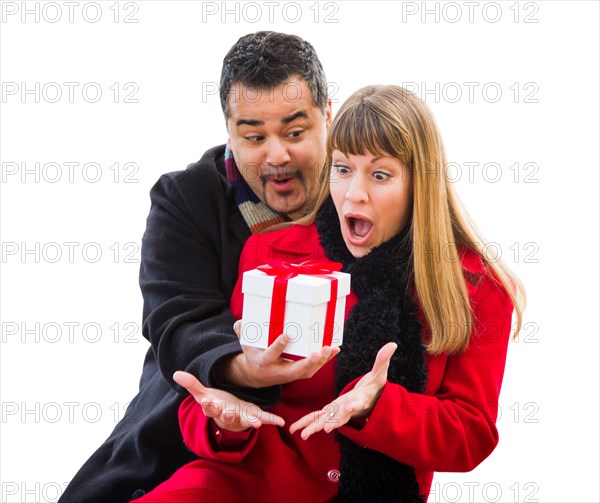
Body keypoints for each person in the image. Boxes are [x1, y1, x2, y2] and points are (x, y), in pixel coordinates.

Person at [130, 85, 526, 503]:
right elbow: (202, 405)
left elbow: (470, 435)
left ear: (419, 185)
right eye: (342, 169)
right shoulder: (272, 251)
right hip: (242, 485)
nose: (354, 193)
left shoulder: (475, 287)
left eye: (379, 174)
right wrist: (225, 421)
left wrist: (379, 405)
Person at [60, 31, 334, 503]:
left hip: (320, 455)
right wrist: (243, 368)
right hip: (186, 438)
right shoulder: (185, 199)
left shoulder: (364, 195)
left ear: (327, 115)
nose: (276, 156)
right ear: (229, 131)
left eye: (294, 132)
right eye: (253, 137)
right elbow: (177, 323)